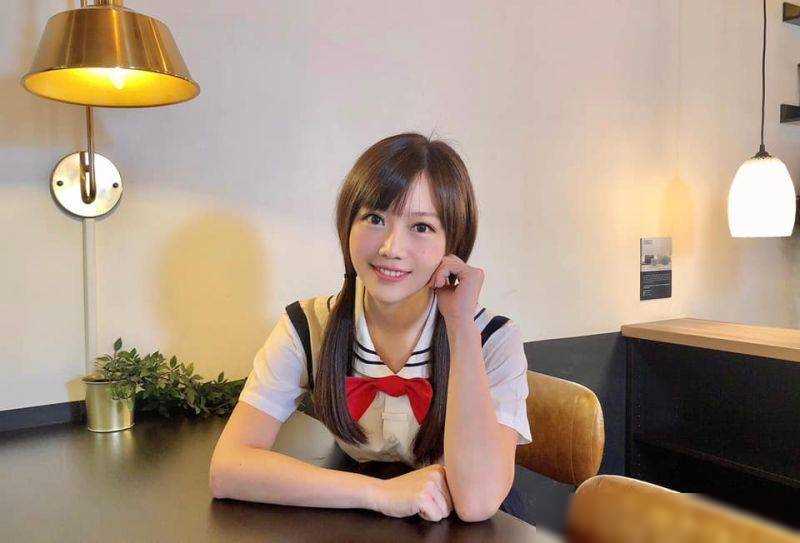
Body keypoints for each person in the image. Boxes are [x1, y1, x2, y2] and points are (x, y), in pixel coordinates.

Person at [209, 132, 532, 523]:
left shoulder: (494, 339)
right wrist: (379, 494)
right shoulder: (308, 325)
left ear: (454, 244)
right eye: (375, 219)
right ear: (347, 225)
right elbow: (228, 469)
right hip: (362, 514)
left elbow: (476, 502)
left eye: (421, 227)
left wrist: (460, 322)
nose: (391, 248)